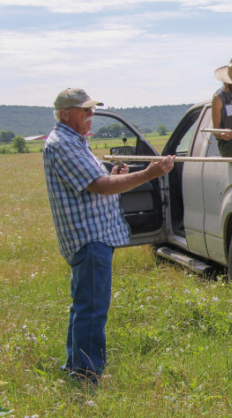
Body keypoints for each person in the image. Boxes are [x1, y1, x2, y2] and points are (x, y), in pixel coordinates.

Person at [43, 88, 174, 382]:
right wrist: (148, 174)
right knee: (92, 309)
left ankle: (76, 366)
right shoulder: (63, 144)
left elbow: (97, 179)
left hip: (94, 236)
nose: (91, 115)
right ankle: (88, 375)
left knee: (84, 305)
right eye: (84, 110)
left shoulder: (74, 142)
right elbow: (100, 186)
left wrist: (115, 172)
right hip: (90, 237)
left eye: (92, 109)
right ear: (65, 114)